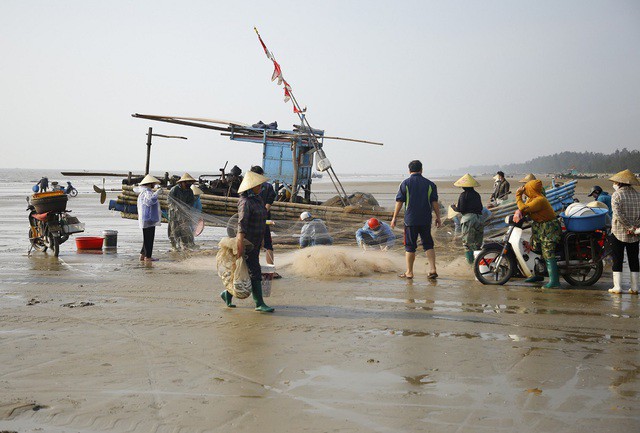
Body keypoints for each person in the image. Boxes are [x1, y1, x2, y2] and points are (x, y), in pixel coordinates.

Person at [220, 170, 274, 312]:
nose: (261, 187)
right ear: (251, 186)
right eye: (258, 185)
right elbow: (241, 225)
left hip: (256, 241)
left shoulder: (258, 199)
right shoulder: (245, 202)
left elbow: (262, 220)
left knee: (246, 270)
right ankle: (259, 303)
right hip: (247, 242)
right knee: (254, 271)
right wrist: (240, 247)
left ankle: (227, 294)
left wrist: (262, 239)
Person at [391, 160, 441, 279]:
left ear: (409, 170)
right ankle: (433, 269)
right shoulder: (430, 184)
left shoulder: (405, 183)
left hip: (410, 220)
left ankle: (409, 272)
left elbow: (399, 202)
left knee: (410, 246)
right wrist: (438, 217)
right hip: (425, 219)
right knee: (428, 244)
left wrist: (394, 218)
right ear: (421, 170)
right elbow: (434, 202)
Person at [516, 179, 562, 288]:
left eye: (527, 188)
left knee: (548, 251)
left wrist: (518, 195)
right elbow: (523, 209)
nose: (525, 190)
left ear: (531, 189)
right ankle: (539, 274)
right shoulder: (532, 199)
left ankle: (555, 281)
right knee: (537, 249)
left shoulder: (540, 200)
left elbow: (523, 207)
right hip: (540, 227)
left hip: (548, 228)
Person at [607, 169, 640, 294]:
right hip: (635, 233)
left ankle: (617, 287)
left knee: (618, 259)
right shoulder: (638, 195)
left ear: (619, 183)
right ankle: (635, 288)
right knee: (634, 259)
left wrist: (629, 227)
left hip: (619, 232)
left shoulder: (617, 195)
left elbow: (618, 215)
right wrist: (635, 227)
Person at [250, 166, 280, 278]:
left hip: (251, 220)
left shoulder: (249, 186)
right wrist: (262, 215)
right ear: (262, 174)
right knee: (268, 244)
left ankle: (252, 269)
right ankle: (270, 270)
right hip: (264, 220)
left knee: (253, 245)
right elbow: (268, 205)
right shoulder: (268, 187)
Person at [451, 174, 484, 264]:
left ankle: (471, 264)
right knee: (477, 243)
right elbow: (480, 208)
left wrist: (454, 207)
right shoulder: (477, 195)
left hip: (469, 219)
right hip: (479, 219)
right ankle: (479, 263)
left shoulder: (463, 195)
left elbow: (461, 209)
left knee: (467, 244)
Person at [136, 174, 162, 262]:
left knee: (146, 238)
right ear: (150, 184)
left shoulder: (144, 192)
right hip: (149, 218)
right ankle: (148, 256)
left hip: (147, 218)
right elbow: (149, 202)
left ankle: (142, 254)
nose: (154, 185)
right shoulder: (147, 192)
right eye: (153, 184)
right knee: (149, 238)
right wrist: (156, 193)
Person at [168, 173, 197, 250]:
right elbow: (170, 201)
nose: (189, 184)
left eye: (190, 182)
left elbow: (191, 202)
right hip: (174, 213)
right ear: (182, 182)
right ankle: (174, 246)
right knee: (174, 229)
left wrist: (186, 208)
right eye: (187, 182)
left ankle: (185, 245)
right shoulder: (175, 189)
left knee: (184, 229)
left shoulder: (190, 191)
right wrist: (176, 208)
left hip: (184, 213)